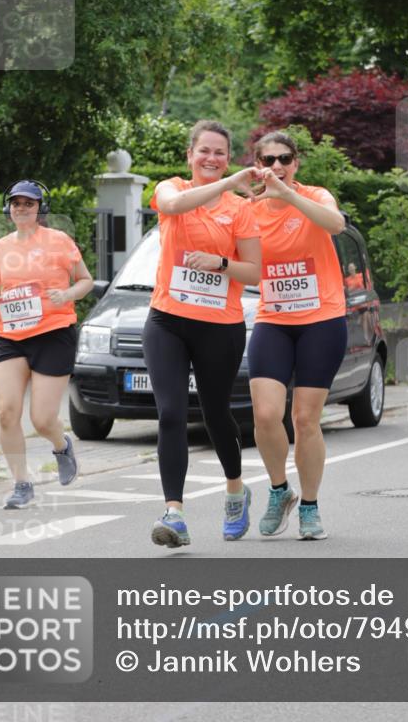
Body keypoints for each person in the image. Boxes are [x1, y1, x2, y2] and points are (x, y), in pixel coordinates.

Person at [143, 120, 261, 548]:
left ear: (228, 158)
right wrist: (230, 182)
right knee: (171, 412)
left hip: (220, 325)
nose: (212, 159)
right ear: (189, 155)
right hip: (167, 320)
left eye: (220, 153)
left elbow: (255, 272)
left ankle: (235, 490)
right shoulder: (169, 188)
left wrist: (221, 265)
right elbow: (174, 207)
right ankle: (174, 514)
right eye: (204, 151)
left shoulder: (241, 209)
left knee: (215, 413)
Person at [247, 131, 347, 540]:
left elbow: (336, 224)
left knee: (305, 418)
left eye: (284, 159)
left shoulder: (314, 195)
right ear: (257, 165)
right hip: (274, 318)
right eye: (268, 160)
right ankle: (278, 490)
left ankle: (309, 505)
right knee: (266, 414)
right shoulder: (248, 211)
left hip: (321, 319)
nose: (277, 167)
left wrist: (288, 196)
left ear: (296, 163)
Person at [0, 180, 93, 509]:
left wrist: (67, 294)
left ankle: (61, 446)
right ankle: (22, 484)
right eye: (16, 203)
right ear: (8, 208)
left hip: (52, 334)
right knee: (6, 413)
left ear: (41, 208)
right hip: (11, 337)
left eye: (29, 203)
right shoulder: (1, 247)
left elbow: (84, 280)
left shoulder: (59, 241)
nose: (21, 208)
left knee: (42, 419)